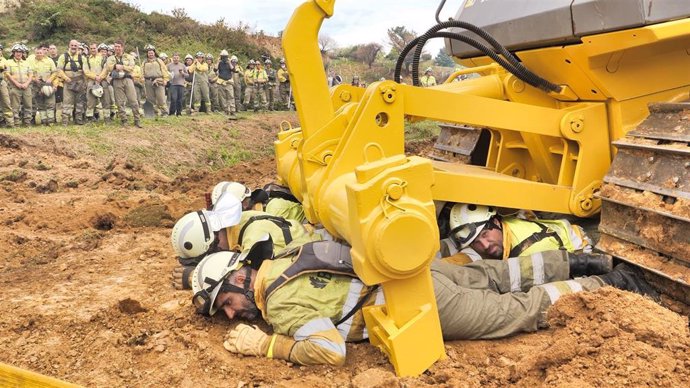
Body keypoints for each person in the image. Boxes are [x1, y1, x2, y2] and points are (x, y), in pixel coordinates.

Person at [190, 238, 655, 367]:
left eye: (225, 302)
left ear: (237, 275)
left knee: (515, 312)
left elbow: (330, 352)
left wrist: (269, 347)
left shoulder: (279, 305)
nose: (231, 314)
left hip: (417, 306)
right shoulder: (289, 255)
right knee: (501, 274)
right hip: (413, 270)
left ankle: (616, 286)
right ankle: (582, 262)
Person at [440, 203, 593, 263]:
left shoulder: (531, 251)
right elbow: (472, 254)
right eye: (476, 242)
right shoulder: (500, 235)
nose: (484, 245)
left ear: (496, 222)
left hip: (580, 247)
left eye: (485, 234)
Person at [100, 40, 141, 127]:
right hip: (116, 81)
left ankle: (137, 119)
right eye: (115, 47)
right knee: (119, 101)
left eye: (119, 46)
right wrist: (115, 66)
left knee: (133, 100)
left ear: (122, 47)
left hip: (127, 79)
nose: (117, 48)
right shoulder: (110, 58)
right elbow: (108, 67)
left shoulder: (128, 57)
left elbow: (131, 67)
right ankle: (124, 120)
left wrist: (122, 67)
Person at [57, 40, 88, 125]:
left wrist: (85, 83)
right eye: (72, 45)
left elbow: (85, 71)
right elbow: (59, 70)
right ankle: (65, 121)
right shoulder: (63, 57)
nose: (74, 47)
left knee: (79, 102)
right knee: (67, 102)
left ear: (78, 47)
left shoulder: (82, 58)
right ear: (69, 46)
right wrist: (66, 78)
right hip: (68, 82)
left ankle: (78, 119)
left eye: (75, 46)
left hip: (79, 82)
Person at [30, 44, 58, 126]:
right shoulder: (31, 62)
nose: (39, 54)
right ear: (35, 53)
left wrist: (50, 79)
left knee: (50, 104)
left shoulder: (49, 60)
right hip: (37, 86)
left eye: (40, 53)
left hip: (48, 84)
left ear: (43, 53)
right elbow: (29, 74)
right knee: (40, 104)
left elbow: (55, 72)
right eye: (37, 53)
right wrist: (34, 79)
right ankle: (43, 121)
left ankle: (51, 121)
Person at [5, 44, 33, 127]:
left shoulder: (26, 62)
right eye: (17, 52)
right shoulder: (8, 62)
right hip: (14, 87)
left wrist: (26, 84)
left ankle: (27, 123)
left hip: (26, 87)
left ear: (23, 53)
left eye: (20, 52)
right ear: (13, 53)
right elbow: (7, 74)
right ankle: (16, 123)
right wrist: (16, 84)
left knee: (28, 105)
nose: (19, 53)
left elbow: (31, 75)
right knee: (15, 106)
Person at [84, 43, 112, 123]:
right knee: (90, 100)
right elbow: (86, 71)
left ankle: (107, 118)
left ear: (97, 49)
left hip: (103, 80)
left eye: (94, 48)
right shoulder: (87, 59)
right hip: (91, 81)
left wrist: (100, 77)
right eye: (91, 48)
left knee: (106, 99)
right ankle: (89, 118)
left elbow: (106, 69)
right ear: (89, 49)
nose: (93, 50)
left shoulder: (103, 58)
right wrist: (95, 77)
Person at [142, 44, 170, 118]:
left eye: (152, 52)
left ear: (154, 53)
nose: (150, 54)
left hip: (159, 81)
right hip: (148, 81)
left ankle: (165, 112)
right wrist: (141, 78)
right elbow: (141, 71)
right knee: (151, 98)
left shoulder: (159, 61)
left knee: (161, 98)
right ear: (147, 54)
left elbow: (164, 70)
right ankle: (155, 112)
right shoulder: (144, 62)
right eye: (149, 53)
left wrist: (165, 80)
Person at [216, 50, 237, 119]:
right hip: (221, 82)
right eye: (223, 57)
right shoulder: (219, 63)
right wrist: (218, 62)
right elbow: (215, 69)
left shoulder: (229, 63)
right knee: (223, 97)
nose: (224, 58)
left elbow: (234, 70)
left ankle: (232, 111)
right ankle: (226, 110)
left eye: (225, 57)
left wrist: (229, 62)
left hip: (229, 82)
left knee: (231, 96)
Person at [0, 44, 15, 127]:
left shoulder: (4, 60)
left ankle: (10, 123)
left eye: (0, 50)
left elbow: (3, 66)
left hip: (2, 82)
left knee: (6, 103)